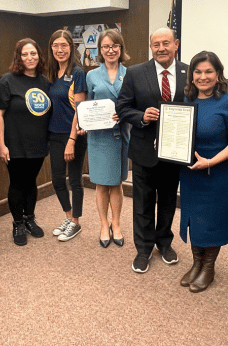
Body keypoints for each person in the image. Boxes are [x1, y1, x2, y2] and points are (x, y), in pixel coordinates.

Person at [116, 27, 188, 273]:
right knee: (143, 203)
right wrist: (141, 116)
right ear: (151, 47)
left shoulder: (189, 73)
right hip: (144, 151)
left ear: (175, 44)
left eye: (166, 43)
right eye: (156, 44)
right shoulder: (135, 73)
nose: (161, 48)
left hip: (175, 152)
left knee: (168, 201)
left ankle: (164, 243)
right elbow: (123, 107)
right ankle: (143, 249)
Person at [179, 51, 228, 293]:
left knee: (212, 219)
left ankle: (209, 267)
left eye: (209, 71)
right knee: (192, 217)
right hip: (189, 174)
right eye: (198, 71)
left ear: (218, 74)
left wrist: (210, 162)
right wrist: (164, 141)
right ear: (191, 75)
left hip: (217, 174)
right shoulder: (185, 101)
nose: (203, 76)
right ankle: (197, 263)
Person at [0, 38, 51, 246]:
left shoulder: (44, 81)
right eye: (25, 54)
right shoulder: (7, 81)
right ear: (18, 57)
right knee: (18, 183)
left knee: (31, 183)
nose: (30, 58)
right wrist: (1, 145)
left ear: (39, 56)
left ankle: (30, 219)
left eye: (33, 53)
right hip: (15, 144)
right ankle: (17, 223)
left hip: (38, 143)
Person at [85, 29, 130, 248]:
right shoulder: (91, 75)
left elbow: (133, 104)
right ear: (100, 50)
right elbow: (86, 105)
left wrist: (125, 113)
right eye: (105, 47)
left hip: (120, 135)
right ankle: (104, 225)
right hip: (98, 137)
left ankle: (117, 224)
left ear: (120, 48)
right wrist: (83, 123)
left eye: (114, 46)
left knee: (116, 183)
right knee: (101, 185)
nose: (110, 50)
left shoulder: (130, 74)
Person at [47, 29, 87, 242]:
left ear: (71, 48)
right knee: (57, 180)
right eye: (56, 45)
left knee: (74, 179)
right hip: (54, 134)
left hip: (73, 136)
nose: (60, 50)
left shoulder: (78, 73)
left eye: (64, 45)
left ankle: (76, 223)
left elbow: (79, 109)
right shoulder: (52, 73)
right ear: (51, 48)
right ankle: (68, 217)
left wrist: (72, 140)